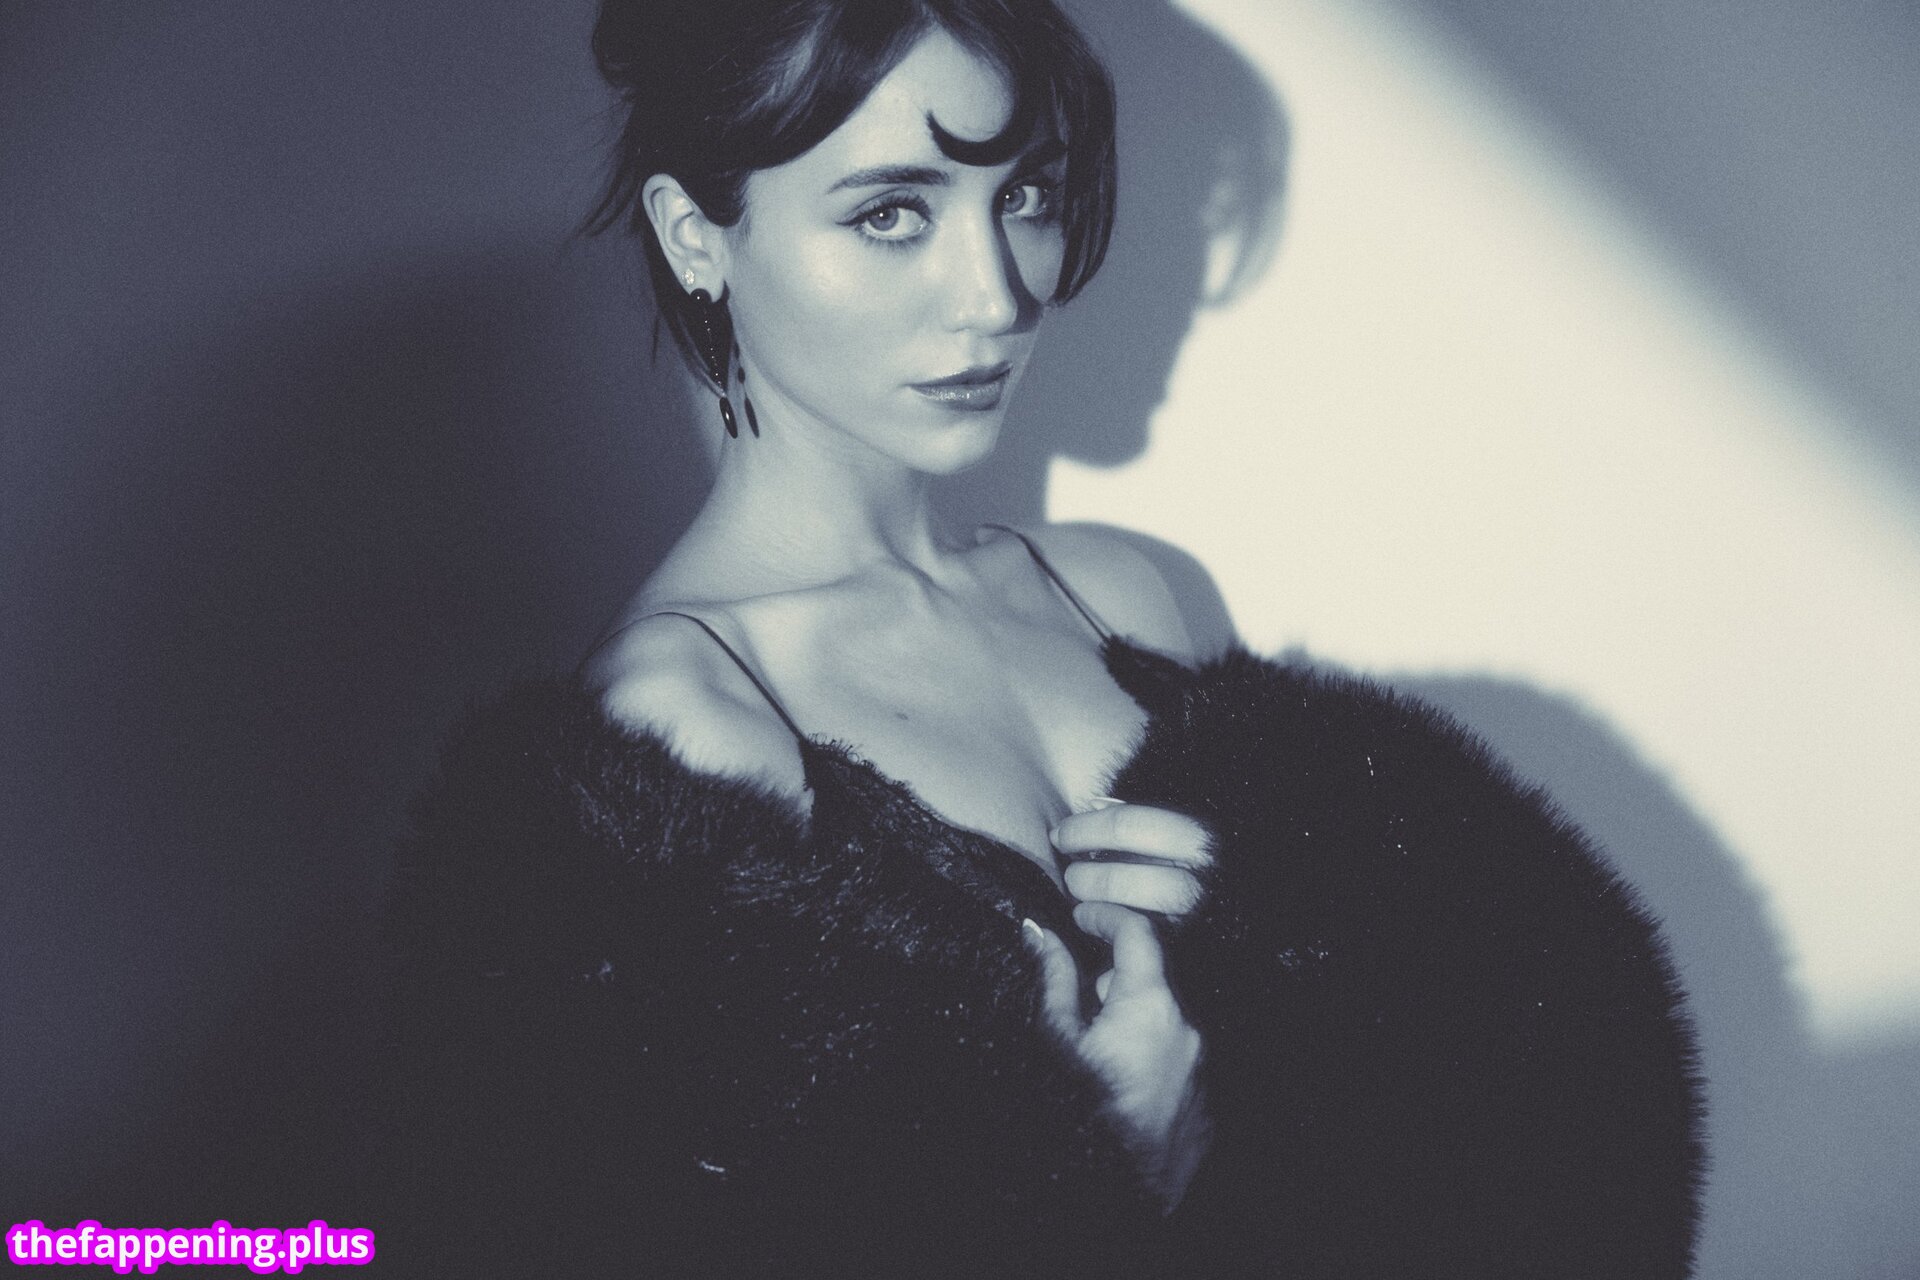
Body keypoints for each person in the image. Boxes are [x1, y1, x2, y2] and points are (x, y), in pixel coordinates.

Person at [386, 1, 1705, 1275]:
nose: (999, 293)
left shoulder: (1118, 593)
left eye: (1022, 195)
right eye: (892, 213)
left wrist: (1318, 929)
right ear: (697, 236)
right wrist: (1099, 1169)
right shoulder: (679, 735)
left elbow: (1446, 1122)